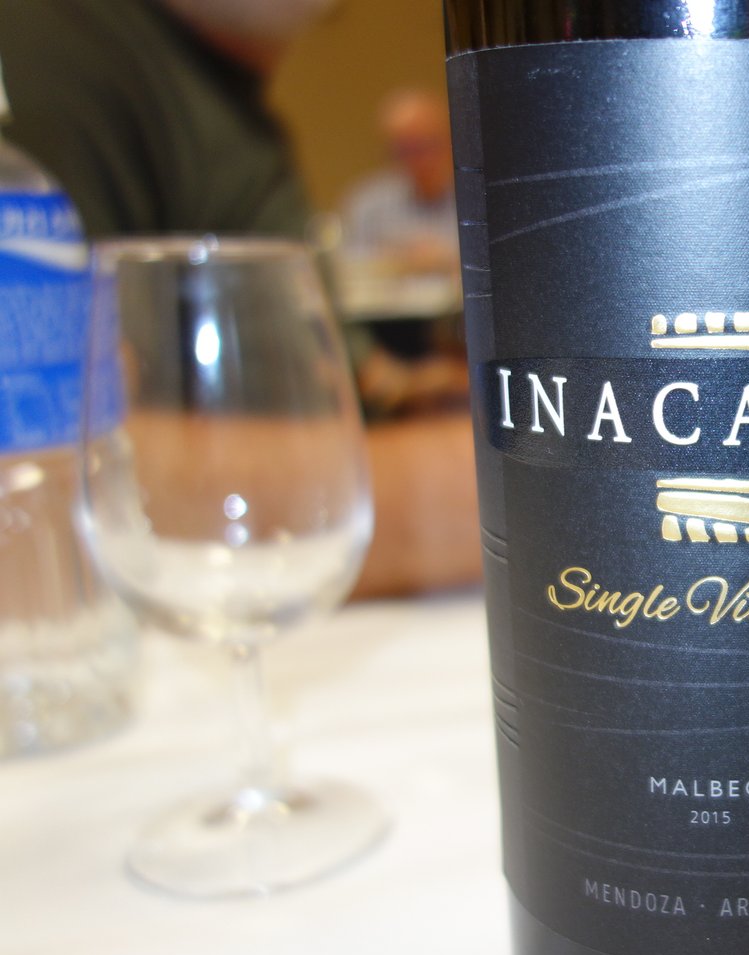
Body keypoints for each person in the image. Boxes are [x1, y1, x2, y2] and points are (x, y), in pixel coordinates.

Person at [0, 0, 481, 598]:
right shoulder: (50, 57)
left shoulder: (221, 91)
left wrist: (407, 391)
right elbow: (43, 483)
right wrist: (510, 484)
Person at [342, 90, 459, 275]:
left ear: (451, 141)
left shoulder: (477, 199)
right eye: (404, 150)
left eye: (426, 145)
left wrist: (445, 257)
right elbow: (349, 263)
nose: (419, 160)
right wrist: (398, 258)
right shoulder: (368, 202)